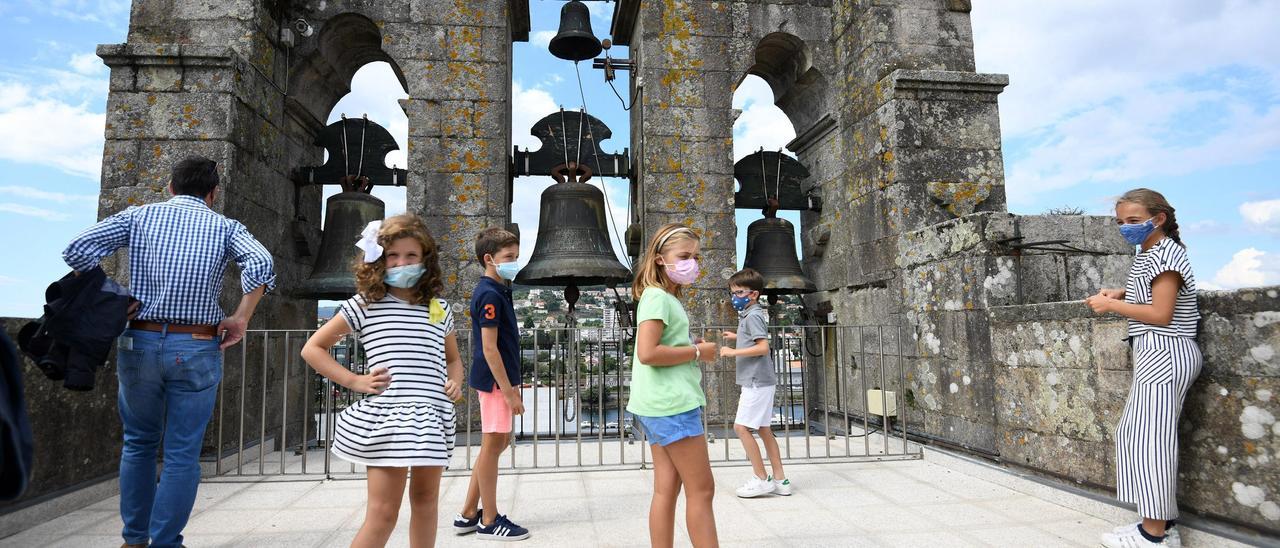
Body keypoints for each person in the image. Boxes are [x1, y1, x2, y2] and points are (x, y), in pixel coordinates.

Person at [61, 155, 276, 548]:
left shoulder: (139, 217)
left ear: (171, 187)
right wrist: (241, 316)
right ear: (213, 193)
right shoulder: (225, 226)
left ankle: (133, 540)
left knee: (139, 443)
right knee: (181, 453)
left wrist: (108, 295)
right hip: (195, 345)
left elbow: (77, 250)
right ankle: (165, 543)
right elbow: (261, 262)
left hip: (138, 341)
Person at [300, 214, 463, 548]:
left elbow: (452, 359)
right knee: (383, 513)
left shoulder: (438, 308)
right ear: (380, 260)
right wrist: (354, 380)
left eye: (411, 256)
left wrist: (456, 382)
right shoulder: (365, 305)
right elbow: (313, 348)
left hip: (431, 415)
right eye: (393, 256)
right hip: (390, 418)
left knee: (427, 504)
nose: (402, 262)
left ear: (425, 260)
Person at [1085, 188, 1199, 548]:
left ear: (1158, 218)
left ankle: (1155, 535)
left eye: (1133, 221)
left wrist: (1110, 306)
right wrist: (1123, 293)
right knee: (1136, 436)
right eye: (1121, 222)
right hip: (1156, 354)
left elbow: (1161, 314)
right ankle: (1156, 525)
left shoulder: (1165, 255)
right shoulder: (1150, 253)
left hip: (1166, 352)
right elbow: (1156, 296)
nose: (1126, 228)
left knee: (1152, 441)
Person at [627, 223, 720, 548]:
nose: (691, 263)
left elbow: (659, 345)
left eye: (695, 257)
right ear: (660, 259)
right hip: (673, 405)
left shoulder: (658, 297)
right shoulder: (658, 299)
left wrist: (686, 342)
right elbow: (649, 352)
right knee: (702, 489)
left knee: (666, 489)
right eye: (684, 255)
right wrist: (697, 351)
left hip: (658, 405)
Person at [452, 227, 531, 541]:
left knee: (494, 446)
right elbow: (488, 347)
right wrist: (509, 392)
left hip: (499, 381)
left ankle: (469, 513)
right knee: (493, 446)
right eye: (508, 257)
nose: (514, 262)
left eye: (515, 256)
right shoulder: (489, 294)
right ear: (489, 259)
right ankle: (489, 519)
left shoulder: (499, 289)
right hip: (497, 383)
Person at [720, 268, 790, 498]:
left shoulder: (753, 316)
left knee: (740, 428)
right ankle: (780, 479)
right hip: (761, 380)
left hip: (756, 381)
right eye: (733, 292)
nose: (735, 297)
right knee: (763, 429)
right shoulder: (750, 314)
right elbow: (753, 337)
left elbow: (762, 347)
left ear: (754, 294)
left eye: (739, 292)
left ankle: (761, 478)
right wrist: (737, 337)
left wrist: (732, 352)